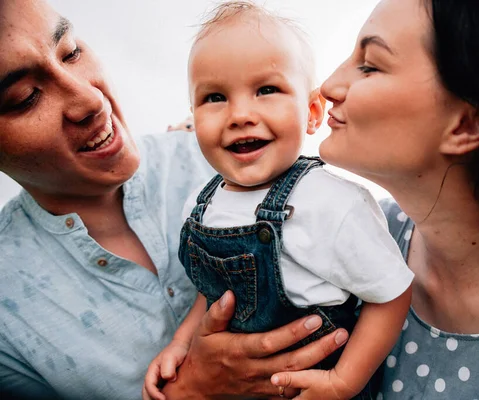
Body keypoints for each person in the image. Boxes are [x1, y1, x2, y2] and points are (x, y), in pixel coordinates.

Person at [163, 1, 479, 399]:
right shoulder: (365, 232)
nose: (330, 84)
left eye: (369, 65)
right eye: (215, 97)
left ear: (465, 124)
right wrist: (194, 384)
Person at [0, 1, 351, 399]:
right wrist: (191, 391)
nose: (91, 102)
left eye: (71, 52)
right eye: (25, 96)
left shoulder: (227, 160)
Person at [143, 2, 413, 399]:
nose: (239, 114)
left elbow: (391, 293)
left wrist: (342, 384)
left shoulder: (331, 203)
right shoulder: (201, 207)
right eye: (215, 97)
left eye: (266, 90)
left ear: (312, 111)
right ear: (192, 115)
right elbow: (214, 292)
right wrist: (182, 344)